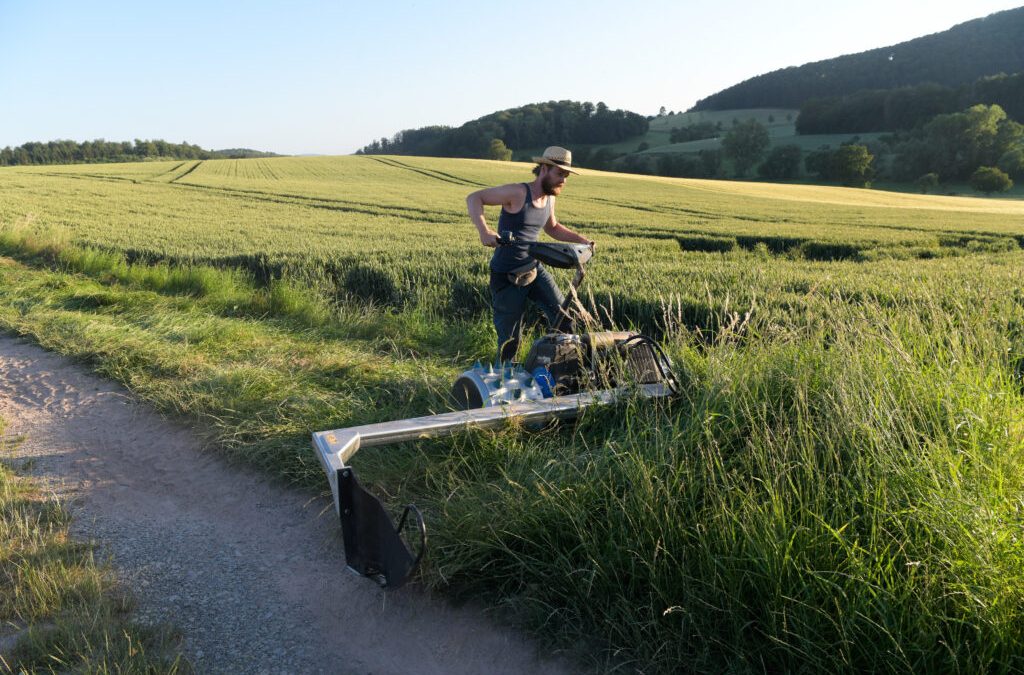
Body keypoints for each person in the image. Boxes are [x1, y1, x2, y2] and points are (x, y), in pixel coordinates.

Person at [466, 146, 595, 363]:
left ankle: (560, 369)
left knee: (564, 319)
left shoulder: (549, 198)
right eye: (560, 174)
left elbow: (552, 227)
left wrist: (582, 240)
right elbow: (474, 198)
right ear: (544, 169)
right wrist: (484, 231)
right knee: (510, 342)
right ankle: (504, 377)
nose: (563, 180)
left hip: (534, 269)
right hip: (507, 276)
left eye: (566, 175)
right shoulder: (518, 193)